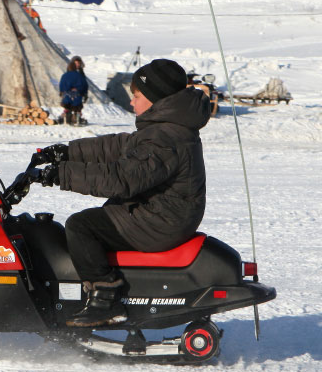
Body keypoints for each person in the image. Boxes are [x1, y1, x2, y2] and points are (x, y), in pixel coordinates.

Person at [36, 58, 211, 326]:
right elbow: (119, 147)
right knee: (106, 213)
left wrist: (61, 174)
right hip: (165, 212)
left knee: (82, 226)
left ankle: (105, 300)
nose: (131, 102)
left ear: (156, 99)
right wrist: (68, 152)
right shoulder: (166, 128)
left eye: (137, 96)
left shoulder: (164, 138)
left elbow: (121, 179)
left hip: (162, 221)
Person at [58, 57, 88, 126]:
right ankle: (76, 118)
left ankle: (67, 117)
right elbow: (84, 85)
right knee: (77, 107)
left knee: (67, 105)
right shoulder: (80, 75)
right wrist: (84, 93)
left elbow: (62, 85)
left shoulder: (65, 75)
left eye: (78, 63)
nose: (77, 65)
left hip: (67, 94)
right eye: (76, 63)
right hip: (77, 94)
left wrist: (62, 92)